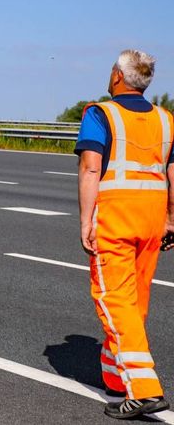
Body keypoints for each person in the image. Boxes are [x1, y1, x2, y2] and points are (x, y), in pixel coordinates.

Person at [75, 49, 174, 419]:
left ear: (118, 75)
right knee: (136, 302)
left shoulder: (101, 113)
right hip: (151, 218)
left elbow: (90, 168)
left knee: (114, 300)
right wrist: (171, 218)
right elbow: (172, 172)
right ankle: (118, 380)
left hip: (116, 217)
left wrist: (87, 220)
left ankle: (146, 389)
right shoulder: (167, 120)